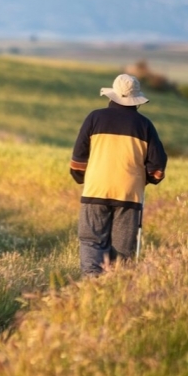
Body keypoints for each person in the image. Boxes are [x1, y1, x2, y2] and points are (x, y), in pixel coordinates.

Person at [69, 73, 167, 276]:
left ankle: (91, 288)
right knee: (122, 250)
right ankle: (116, 290)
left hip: (96, 189)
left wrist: (83, 178)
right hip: (129, 195)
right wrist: (144, 179)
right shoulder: (145, 125)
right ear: (136, 101)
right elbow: (157, 167)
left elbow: (78, 159)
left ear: (111, 96)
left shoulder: (94, 118)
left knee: (91, 242)